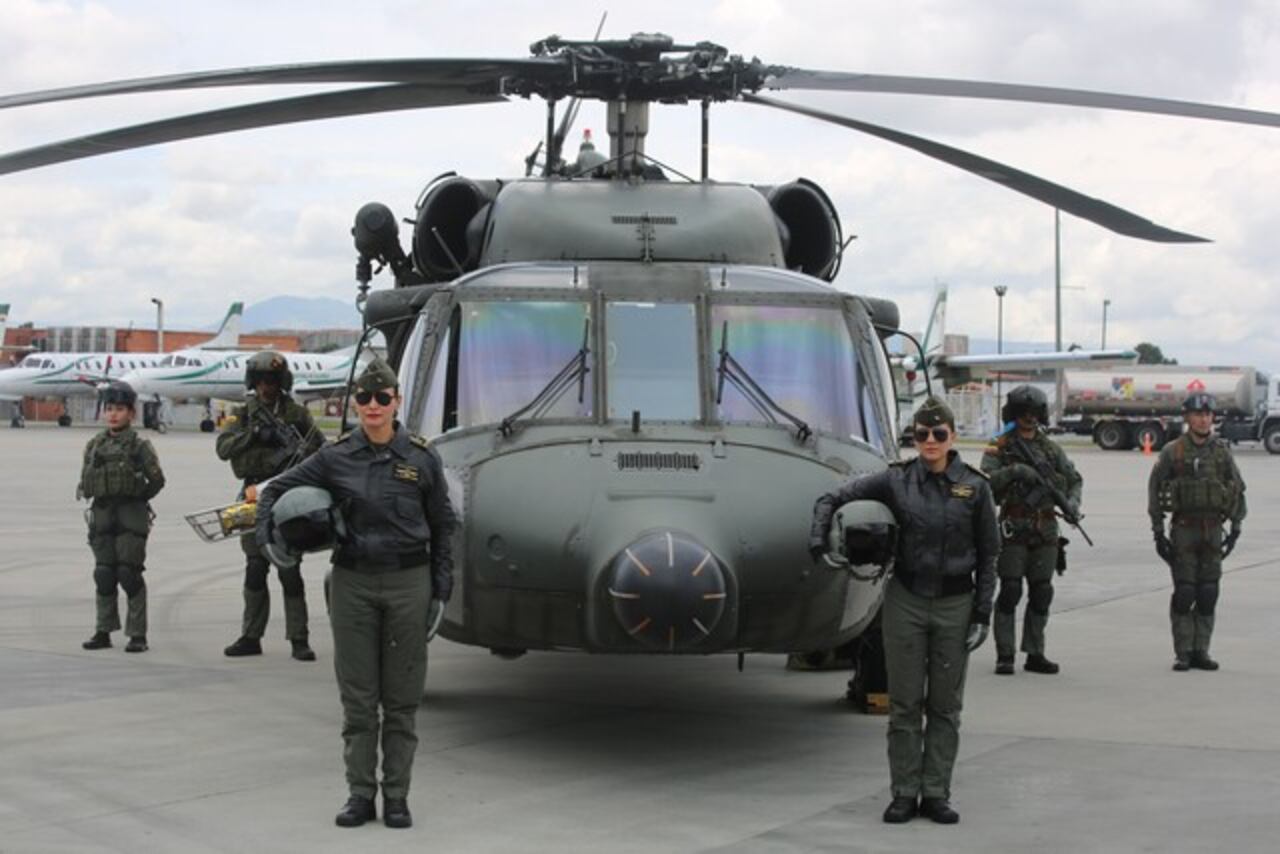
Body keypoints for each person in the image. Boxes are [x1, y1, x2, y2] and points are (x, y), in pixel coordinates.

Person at [255, 358, 455, 829]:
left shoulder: (423, 458)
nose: (372, 406)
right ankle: (360, 794)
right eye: (364, 398)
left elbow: (445, 527)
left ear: (396, 403)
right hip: (353, 583)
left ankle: (398, 797)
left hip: (410, 580)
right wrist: (268, 539)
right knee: (359, 699)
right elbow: (272, 492)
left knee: (402, 700)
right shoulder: (336, 456)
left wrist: (441, 588)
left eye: (382, 397)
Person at [810, 396, 998, 825]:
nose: (929, 441)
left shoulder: (976, 487)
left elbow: (990, 555)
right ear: (914, 438)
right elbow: (834, 496)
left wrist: (982, 614)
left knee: (945, 706)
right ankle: (903, 792)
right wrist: (819, 540)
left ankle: (935, 793)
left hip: (955, 603)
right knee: (905, 705)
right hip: (906, 602)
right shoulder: (897, 482)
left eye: (939, 434)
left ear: (951, 437)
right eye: (922, 435)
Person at [216, 351, 324, 660]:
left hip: (288, 495)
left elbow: (320, 450)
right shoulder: (242, 414)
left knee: (289, 567)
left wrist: (299, 456)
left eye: (272, 381)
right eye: (261, 381)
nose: (266, 387)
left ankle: (299, 638)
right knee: (254, 567)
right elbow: (223, 448)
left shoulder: (296, 414)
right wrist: (254, 435)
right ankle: (251, 635)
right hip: (254, 493)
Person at [981, 385, 1083, 675]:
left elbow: (1074, 479)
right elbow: (984, 482)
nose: (1028, 418)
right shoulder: (999, 445)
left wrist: (1073, 504)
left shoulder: (1050, 449)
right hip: (1014, 527)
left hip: (1045, 528)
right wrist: (1013, 472)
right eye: (1022, 413)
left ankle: (1035, 652)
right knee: (1011, 590)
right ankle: (1005, 654)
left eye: (1033, 413)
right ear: (1013, 413)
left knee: (1042, 592)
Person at [1148, 392, 1246, 671]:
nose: (1204, 419)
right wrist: (1157, 532)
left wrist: (1236, 527)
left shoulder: (1221, 452)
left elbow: (1238, 488)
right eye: (1198, 414)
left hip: (1213, 530)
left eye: (1207, 414)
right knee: (1185, 592)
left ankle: (1201, 650)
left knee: (1208, 592)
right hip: (1184, 530)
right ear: (1187, 417)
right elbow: (1155, 490)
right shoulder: (1173, 451)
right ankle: (1183, 652)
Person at [78, 381, 165, 653]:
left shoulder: (140, 446)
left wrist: (137, 497)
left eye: (119, 409)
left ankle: (137, 634)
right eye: (109, 409)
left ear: (131, 414)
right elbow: (86, 478)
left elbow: (157, 480)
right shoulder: (94, 445)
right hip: (102, 513)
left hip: (131, 514)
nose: (113, 414)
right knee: (104, 574)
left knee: (130, 574)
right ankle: (103, 630)